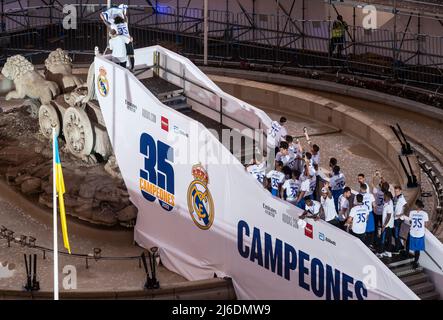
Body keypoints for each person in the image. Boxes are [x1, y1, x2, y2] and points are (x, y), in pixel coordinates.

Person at [404, 200, 429, 269]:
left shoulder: (412, 212)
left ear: (416, 206)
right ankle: (415, 262)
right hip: (419, 233)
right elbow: (426, 224)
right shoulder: (425, 214)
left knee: (408, 243)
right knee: (417, 249)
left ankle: (406, 255)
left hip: (412, 232)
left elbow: (410, 221)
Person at [359, 183, 376, 248]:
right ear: (366, 188)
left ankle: (364, 244)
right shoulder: (370, 195)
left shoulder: (358, 195)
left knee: (363, 229)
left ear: (361, 188)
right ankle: (370, 244)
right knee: (371, 229)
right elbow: (374, 205)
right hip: (370, 213)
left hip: (362, 213)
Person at [377, 191, 394, 258]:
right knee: (389, 238)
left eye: (384, 196)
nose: (383, 197)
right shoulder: (390, 202)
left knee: (383, 238)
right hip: (390, 225)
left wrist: (384, 225)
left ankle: (380, 253)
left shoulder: (389, 205)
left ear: (387, 197)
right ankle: (388, 252)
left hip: (386, 225)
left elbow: (389, 216)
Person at [393, 185, 407, 253]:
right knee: (395, 234)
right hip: (395, 218)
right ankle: (400, 246)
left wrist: (400, 214)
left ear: (400, 191)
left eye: (397, 191)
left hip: (399, 219)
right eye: (395, 191)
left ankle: (397, 248)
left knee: (396, 234)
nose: (396, 192)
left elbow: (405, 207)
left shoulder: (402, 198)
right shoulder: (395, 197)